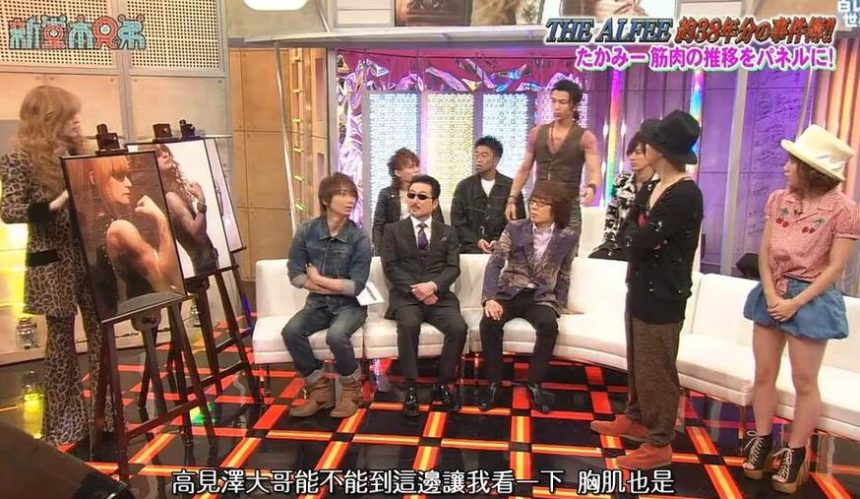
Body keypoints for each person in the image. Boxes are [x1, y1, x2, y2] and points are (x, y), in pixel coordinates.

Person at [740, 125, 858, 494]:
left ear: (813, 170)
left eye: (793, 162)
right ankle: (762, 440)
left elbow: (835, 267)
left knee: (804, 380)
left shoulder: (844, 210)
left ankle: (795, 452)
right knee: (764, 373)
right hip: (772, 291)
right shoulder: (779, 199)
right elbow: (764, 251)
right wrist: (772, 294)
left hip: (812, 298)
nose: (785, 167)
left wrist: (795, 302)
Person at [589, 111, 703, 470]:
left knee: (658, 368)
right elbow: (628, 234)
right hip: (639, 285)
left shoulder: (685, 194)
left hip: (664, 293)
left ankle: (659, 441)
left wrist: (642, 236)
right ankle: (636, 416)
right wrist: (641, 236)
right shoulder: (653, 187)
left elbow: (643, 239)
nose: (643, 147)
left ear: (660, 150)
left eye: (648, 143)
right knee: (638, 361)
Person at [0, 85, 113, 447]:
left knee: (102, 335)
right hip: (53, 262)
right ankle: (65, 425)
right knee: (61, 345)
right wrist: (55, 203)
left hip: (90, 257)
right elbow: (10, 211)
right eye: (69, 116)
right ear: (49, 120)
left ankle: (108, 416)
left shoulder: (80, 153)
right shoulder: (18, 159)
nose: (78, 121)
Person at [478, 181, 578, 414]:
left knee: (549, 325)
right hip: (509, 293)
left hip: (540, 297)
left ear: (555, 208)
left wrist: (560, 305)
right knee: (489, 322)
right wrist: (489, 298)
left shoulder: (567, 237)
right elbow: (495, 263)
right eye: (533, 202)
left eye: (541, 204)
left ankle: (534, 384)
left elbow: (564, 273)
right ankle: (494, 384)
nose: (533, 207)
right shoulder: (515, 228)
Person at [282, 173, 370, 419]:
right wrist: (326, 287)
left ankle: (351, 390)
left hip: (351, 306)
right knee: (291, 331)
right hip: (317, 304)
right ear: (325, 199)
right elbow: (295, 274)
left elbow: (356, 287)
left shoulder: (359, 237)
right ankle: (320, 390)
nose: (350, 200)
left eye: (352, 195)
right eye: (343, 194)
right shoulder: (307, 231)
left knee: (336, 335)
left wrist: (318, 280)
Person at [380, 175, 467, 417]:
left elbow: (453, 268)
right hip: (407, 297)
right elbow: (391, 267)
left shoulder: (448, 232)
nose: (415, 200)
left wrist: (432, 286)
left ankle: (444, 383)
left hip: (439, 297)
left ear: (435, 203)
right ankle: (411, 386)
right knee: (409, 324)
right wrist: (417, 290)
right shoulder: (392, 230)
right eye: (411, 195)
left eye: (421, 196)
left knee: (458, 328)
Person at [80, 154, 184, 317]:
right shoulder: (121, 229)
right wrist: (160, 219)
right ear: (94, 179)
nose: (128, 184)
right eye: (120, 177)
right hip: (139, 306)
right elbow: (170, 284)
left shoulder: (98, 227)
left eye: (128, 176)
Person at [505, 79, 601, 247]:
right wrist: (512, 199)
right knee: (535, 252)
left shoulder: (585, 137)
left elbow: (594, 170)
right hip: (540, 203)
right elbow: (524, 169)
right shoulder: (537, 133)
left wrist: (591, 187)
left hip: (568, 203)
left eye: (562, 102)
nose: (556, 107)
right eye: (554, 101)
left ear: (573, 105)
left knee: (566, 253)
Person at [451, 136, 525, 254]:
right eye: (476, 155)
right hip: (469, 248)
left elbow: (518, 223)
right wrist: (477, 241)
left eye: (484, 155)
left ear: (496, 160)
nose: (478, 159)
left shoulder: (511, 188)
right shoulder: (464, 187)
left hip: (504, 249)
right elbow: (457, 223)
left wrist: (499, 241)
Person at [154, 144, 219, 275]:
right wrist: (201, 200)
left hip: (206, 259)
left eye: (165, 151)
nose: (165, 155)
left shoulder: (170, 192)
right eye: (158, 154)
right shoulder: (170, 196)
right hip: (203, 262)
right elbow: (197, 234)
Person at [590, 131, 656, 261]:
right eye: (630, 153)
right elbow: (611, 216)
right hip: (619, 245)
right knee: (596, 258)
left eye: (638, 153)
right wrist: (608, 242)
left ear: (651, 154)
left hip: (646, 248)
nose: (632, 157)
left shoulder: (660, 185)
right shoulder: (621, 181)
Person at [372, 148, 443, 254]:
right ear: (397, 172)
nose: (416, 170)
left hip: (424, 244)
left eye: (417, 166)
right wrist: (379, 252)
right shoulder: (386, 194)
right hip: (396, 246)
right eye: (411, 167)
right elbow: (378, 226)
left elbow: (438, 221)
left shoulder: (428, 190)